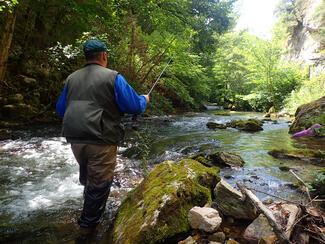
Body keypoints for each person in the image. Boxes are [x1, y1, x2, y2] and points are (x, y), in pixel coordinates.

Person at [55, 39, 149, 235]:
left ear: (86, 56)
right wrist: (144, 99)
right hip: (101, 138)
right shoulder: (113, 77)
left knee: (89, 178)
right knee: (99, 184)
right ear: (104, 55)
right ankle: (86, 229)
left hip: (74, 137)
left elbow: (61, 109)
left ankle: (88, 215)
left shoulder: (71, 78)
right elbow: (133, 106)